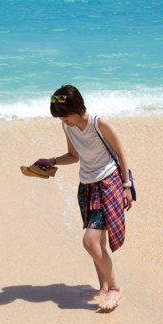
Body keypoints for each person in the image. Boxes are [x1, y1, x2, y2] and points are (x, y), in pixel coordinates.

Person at [34, 85, 133, 312]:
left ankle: (115, 288)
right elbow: (73, 156)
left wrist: (126, 186)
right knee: (98, 242)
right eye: (59, 117)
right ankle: (103, 287)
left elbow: (121, 152)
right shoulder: (67, 127)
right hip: (86, 186)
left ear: (79, 108)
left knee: (89, 241)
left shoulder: (100, 123)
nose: (63, 120)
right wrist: (51, 161)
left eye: (66, 115)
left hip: (109, 184)